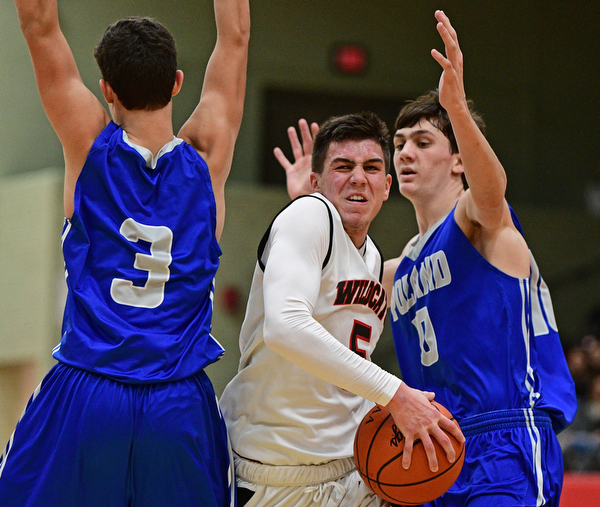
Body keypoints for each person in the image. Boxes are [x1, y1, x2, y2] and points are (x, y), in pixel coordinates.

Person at [278, 10, 577, 507]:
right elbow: (330, 293)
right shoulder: (396, 271)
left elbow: (492, 192)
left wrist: (456, 109)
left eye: (422, 142)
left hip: (504, 439)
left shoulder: (480, 224)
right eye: (398, 145)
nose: (405, 153)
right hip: (430, 447)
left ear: (458, 158)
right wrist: (311, 205)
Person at [0, 0, 249, 505]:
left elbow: (38, 23)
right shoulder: (209, 153)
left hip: (89, 391)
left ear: (106, 89)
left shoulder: (88, 144)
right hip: (177, 398)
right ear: (177, 82)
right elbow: (236, 38)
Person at [219, 111, 464, 507]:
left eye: (371, 168)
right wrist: (396, 395)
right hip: (274, 470)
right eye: (343, 166)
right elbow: (286, 328)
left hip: (350, 470)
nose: (357, 177)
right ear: (316, 183)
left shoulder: (371, 259)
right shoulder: (309, 215)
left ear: (386, 187)